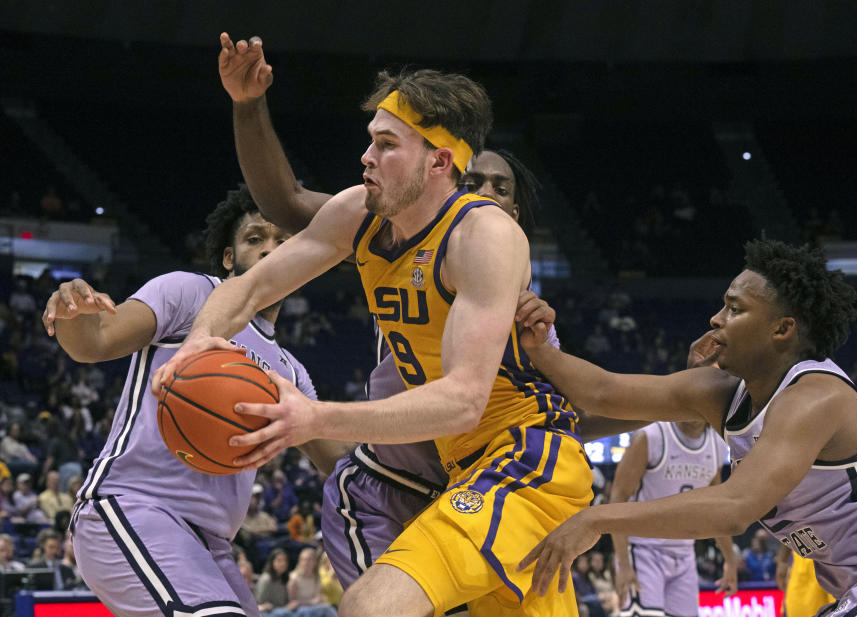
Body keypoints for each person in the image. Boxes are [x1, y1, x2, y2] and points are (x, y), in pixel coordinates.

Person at [153, 33, 595, 617]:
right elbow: (255, 285)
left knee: (372, 606)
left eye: (386, 145)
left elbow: (464, 400)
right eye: (370, 142)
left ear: (439, 161)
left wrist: (313, 417)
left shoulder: (482, 237)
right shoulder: (360, 213)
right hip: (462, 470)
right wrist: (198, 342)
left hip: (526, 458)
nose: (366, 157)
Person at [516, 240, 857, 615]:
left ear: (782, 330)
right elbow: (602, 392)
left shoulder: (815, 397)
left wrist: (596, 518)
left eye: (734, 309)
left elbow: (733, 509)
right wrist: (541, 344)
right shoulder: (723, 391)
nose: (715, 319)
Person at [43, 186, 326, 617]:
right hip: (134, 507)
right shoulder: (191, 294)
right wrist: (74, 315)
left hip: (211, 547)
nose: (271, 251)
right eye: (255, 239)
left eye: (284, 243)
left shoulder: (291, 371)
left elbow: (339, 462)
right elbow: (96, 342)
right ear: (229, 257)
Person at [610, 419, 736, 617]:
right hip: (643, 551)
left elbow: (714, 510)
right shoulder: (650, 436)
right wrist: (623, 565)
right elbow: (618, 498)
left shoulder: (718, 444)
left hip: (685, 555)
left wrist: (730, 560)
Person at [286, 548, 337, 617]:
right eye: (303, 560)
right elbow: (293, 603)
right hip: (298, 610)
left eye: (309, 560)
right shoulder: (293, 578)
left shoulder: (317, 577)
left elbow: (319, 598)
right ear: (300, 561)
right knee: (326, 609)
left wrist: (313, 601)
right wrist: (310, 602)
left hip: (314, 608)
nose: (306, 563)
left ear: (315, 562)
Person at [257, 548, 294, 617]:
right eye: (279, 560)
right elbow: (261, 602)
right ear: (272, 562)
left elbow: (284, 602)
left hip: (282, 611)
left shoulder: (285, 578)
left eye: (285, 560)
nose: (283, 563)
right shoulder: (266, 579)